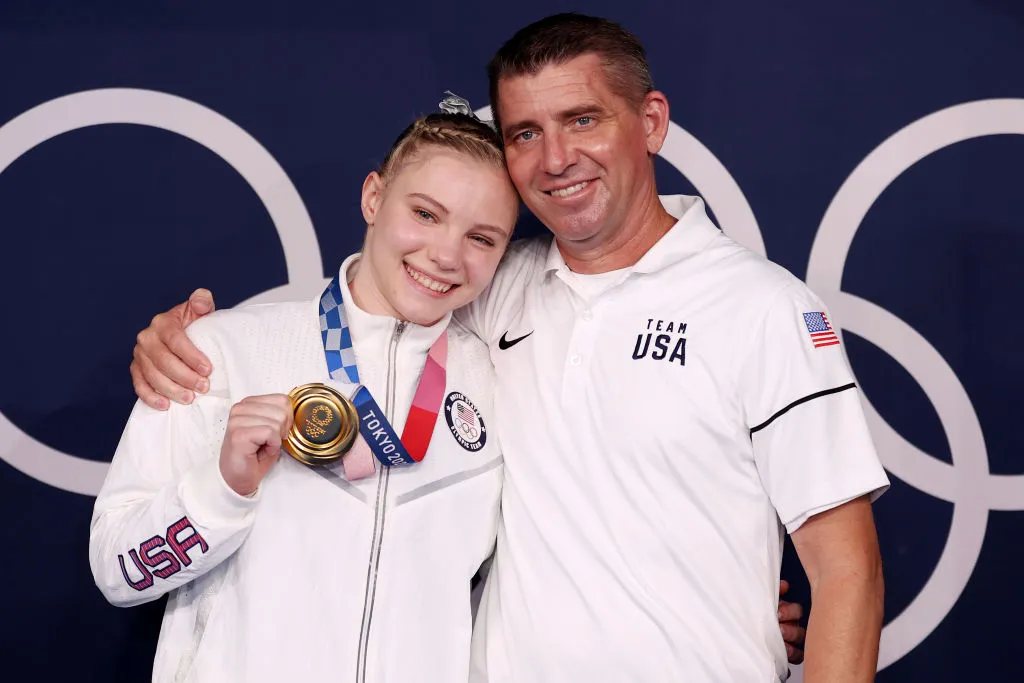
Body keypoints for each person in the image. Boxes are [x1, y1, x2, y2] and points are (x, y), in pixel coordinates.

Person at [129, 14, 886, 682]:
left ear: (651, 122)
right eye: (526, 132)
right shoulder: (495, 286)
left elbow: (846, 570)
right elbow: (378, 297)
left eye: (583, 119)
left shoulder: (761, 307)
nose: (555, 157)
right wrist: (186, 339)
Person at [90, 108, 520, 682]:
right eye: (424, 214)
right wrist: (223, 489)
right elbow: (118, 573)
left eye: (481, 238)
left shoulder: (505, 384)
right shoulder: (219, 350)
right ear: (374, 198)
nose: (446, 254)